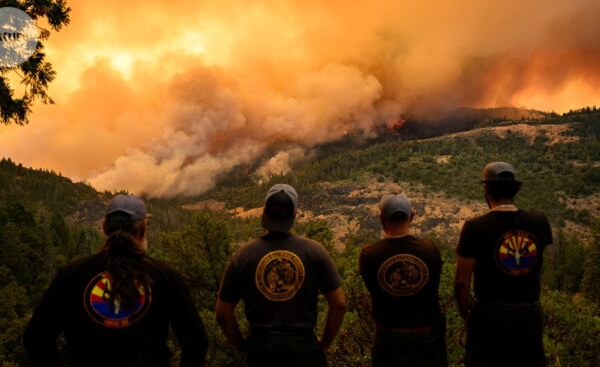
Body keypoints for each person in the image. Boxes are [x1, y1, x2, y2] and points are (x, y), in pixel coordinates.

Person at [24, 194, 208, 367]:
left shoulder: (73, 274)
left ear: (104, 228)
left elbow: (36, 338)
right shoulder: (165, 276)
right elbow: (197, 342)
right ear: (142, 230)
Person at [215, 184, 347, 367]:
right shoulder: (315, 251)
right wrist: (324, 343)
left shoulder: (243, 256)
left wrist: (241, 344)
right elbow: (339, 304)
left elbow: (222, 313)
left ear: (264, 212)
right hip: (303, 347)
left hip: (262, 350)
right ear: (294, 215)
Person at [455, 162, 553, 367]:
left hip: (489, 315)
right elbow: (538, 264)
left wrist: (466, 314)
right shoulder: (539, 222)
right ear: (515, 189)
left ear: (486, 190)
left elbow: (462, 282)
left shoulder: (475, 227)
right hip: (529, 313)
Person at [359, 194, 447, 367]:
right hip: (428, 338)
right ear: (412, 216)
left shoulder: (369, 254)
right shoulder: (430, 249)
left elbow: (372, 288)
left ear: (382, 219)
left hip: (389, 338)